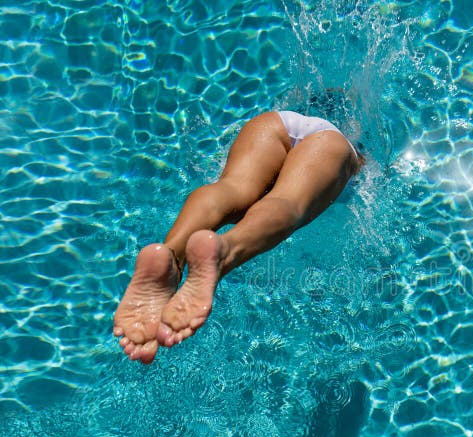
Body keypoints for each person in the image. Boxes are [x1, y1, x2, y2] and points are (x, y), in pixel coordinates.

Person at [113, 110, 364, 364]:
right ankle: (223, 253)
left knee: (232, 188)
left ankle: (172, 257)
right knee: (286, 202)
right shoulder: (350, 144)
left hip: (277, 121)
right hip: (332, 145)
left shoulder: (303, 110)